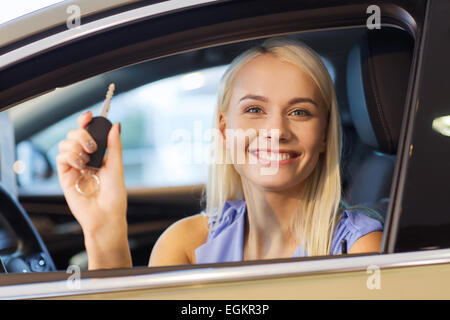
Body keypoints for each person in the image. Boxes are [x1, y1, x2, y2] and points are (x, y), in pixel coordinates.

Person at [56, 36, 383, 270]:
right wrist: (104, 228)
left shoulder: (356, 249)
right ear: (225, 130)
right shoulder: (186, 244)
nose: (277, 131)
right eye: (255, 109)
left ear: (324, 134)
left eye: (299, 112)